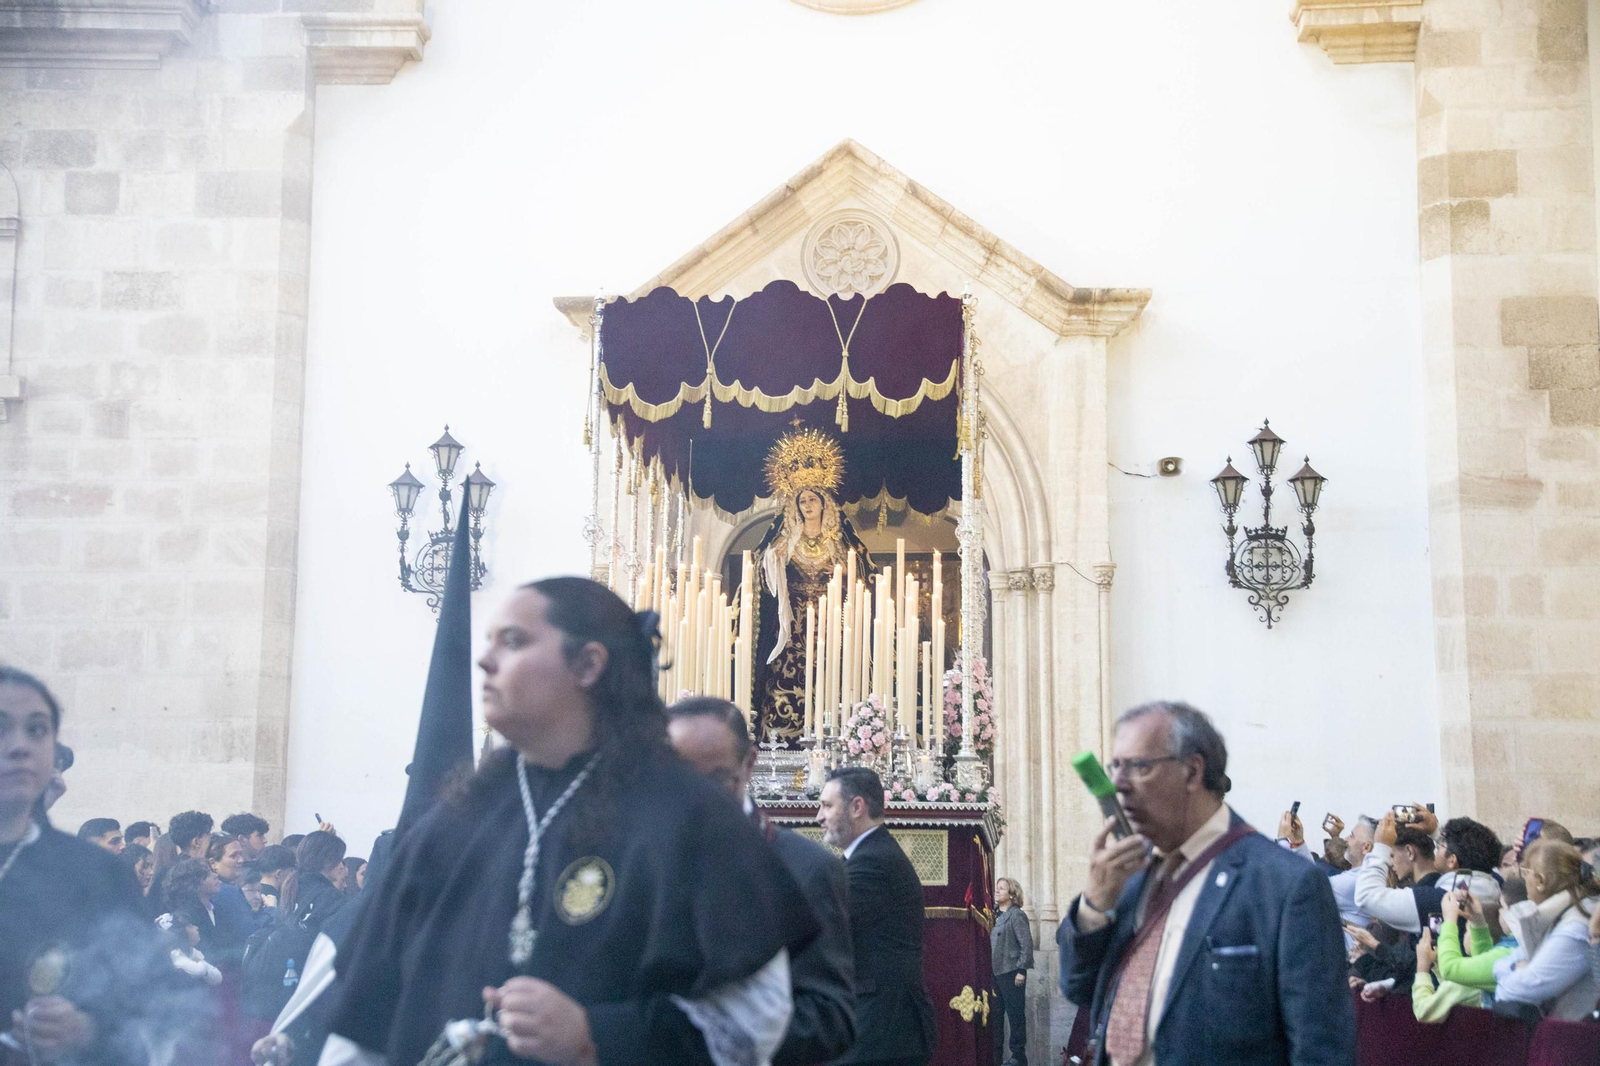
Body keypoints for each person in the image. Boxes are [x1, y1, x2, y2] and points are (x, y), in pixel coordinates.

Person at [326, 577, 820, 1066]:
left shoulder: (689, 817)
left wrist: (596, 1035)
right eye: (489, 641)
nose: (485, 660)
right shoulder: (453, 821)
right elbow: (366, 1019)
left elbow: (754, 1021)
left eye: (514, 641)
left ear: (588, 664)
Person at [1058, 700, 1353, 1066]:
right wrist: (1093, 907)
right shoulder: (1131, 875)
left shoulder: (1286, 886)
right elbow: (1078, 989)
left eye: (1139, 767)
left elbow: (1321, 1052)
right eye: (1115, 767)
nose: (1118, 785)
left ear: (1193, 772)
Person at [0, 666, 192, 1065]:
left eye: (37, 730)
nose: (19, 746)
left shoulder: (97, 874)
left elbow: (157, 1007)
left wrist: (88, 1030)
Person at [666, 695, 856, 1066]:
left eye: (717, 780)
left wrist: (700, 1038)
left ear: (749, 763)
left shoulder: (808, 869)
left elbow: (831, 1019)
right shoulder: (641, 857)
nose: (699, 798)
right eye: (682, 780)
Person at [753, 430, 875, 746]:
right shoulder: (785, 541)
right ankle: (779, 742)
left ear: (824, 504)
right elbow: (761, 572)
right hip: (791, 630)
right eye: (802, 500)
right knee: (783, 681)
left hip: (829, 627)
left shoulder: (839, 542)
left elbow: (862, 572)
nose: (807, 504)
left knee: (833, 682)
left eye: (813, 499)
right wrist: (773, 559)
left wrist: (846, 568)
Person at [818, 765, 937, 1066]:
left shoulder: (873, 862)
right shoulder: (869, 855)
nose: (818, 817)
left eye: (827, 806)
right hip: (878, 1028)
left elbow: (823, 929)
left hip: (882, 1031)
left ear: (857, 806)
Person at [1493, 839, 1600, 1020]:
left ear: (1541, 881)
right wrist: (1514, 968)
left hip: (1575, 1038)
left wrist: (1515, 971)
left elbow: (1516, 991)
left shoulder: (1576, 925)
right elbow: (1502, 964)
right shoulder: (1559, 914)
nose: (1523, 879)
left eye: (1526, 873)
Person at [1353, 820, 1446, 935]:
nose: (1391, 864)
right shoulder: (1446, 887)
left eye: (1392, 855)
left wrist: (1381, 847)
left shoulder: (1423, 899)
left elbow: (1365, 896)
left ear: (1410, 852)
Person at [991, 876, 1033, 1066]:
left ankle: (1018, 1056)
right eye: (997, 888)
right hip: (994, 973)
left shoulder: (1016, 915)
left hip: (1011, 972)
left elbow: (1026, 944)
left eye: (1002, 888)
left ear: (1011, 894)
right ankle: (995, 1057)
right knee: (995, 1016)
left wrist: (1021, 970)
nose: (997, 891)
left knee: (1015, 1015)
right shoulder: (992, 914)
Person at [253, 844, 297, 910]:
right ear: (279, 874)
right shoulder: (277, 901)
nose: (293, 875)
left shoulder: (251, 895)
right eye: (291, 871)